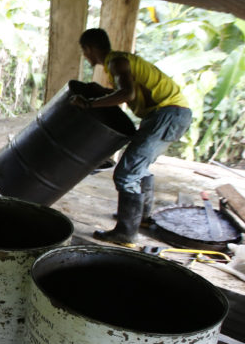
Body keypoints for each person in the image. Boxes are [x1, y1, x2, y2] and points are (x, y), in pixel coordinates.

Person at [70, 28, 192, 247]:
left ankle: (126, 233)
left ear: (89, 48)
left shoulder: (117, 62)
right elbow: (126, 91)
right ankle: (141, 219)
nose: (85, 56)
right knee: (139, 166)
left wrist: (89, 104)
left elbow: (127, 94)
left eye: (84, 51)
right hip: (171, 113)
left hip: (167, 113)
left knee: (127, 173)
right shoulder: (119, 62)